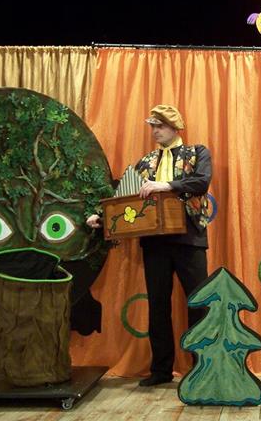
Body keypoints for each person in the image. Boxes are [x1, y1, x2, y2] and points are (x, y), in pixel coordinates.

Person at [87, 104, 212, 387]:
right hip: (155, 242)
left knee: (198, 303)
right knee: (157, 305)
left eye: (160, 126)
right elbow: (123, 195)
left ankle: (202, 368)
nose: (155, 131)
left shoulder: (197, 153)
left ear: (175, 127)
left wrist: (165, 185)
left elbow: (202, 181)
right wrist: (101, 217)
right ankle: (161, 370)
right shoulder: (145, 162)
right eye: (153, 126)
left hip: (189, 239)